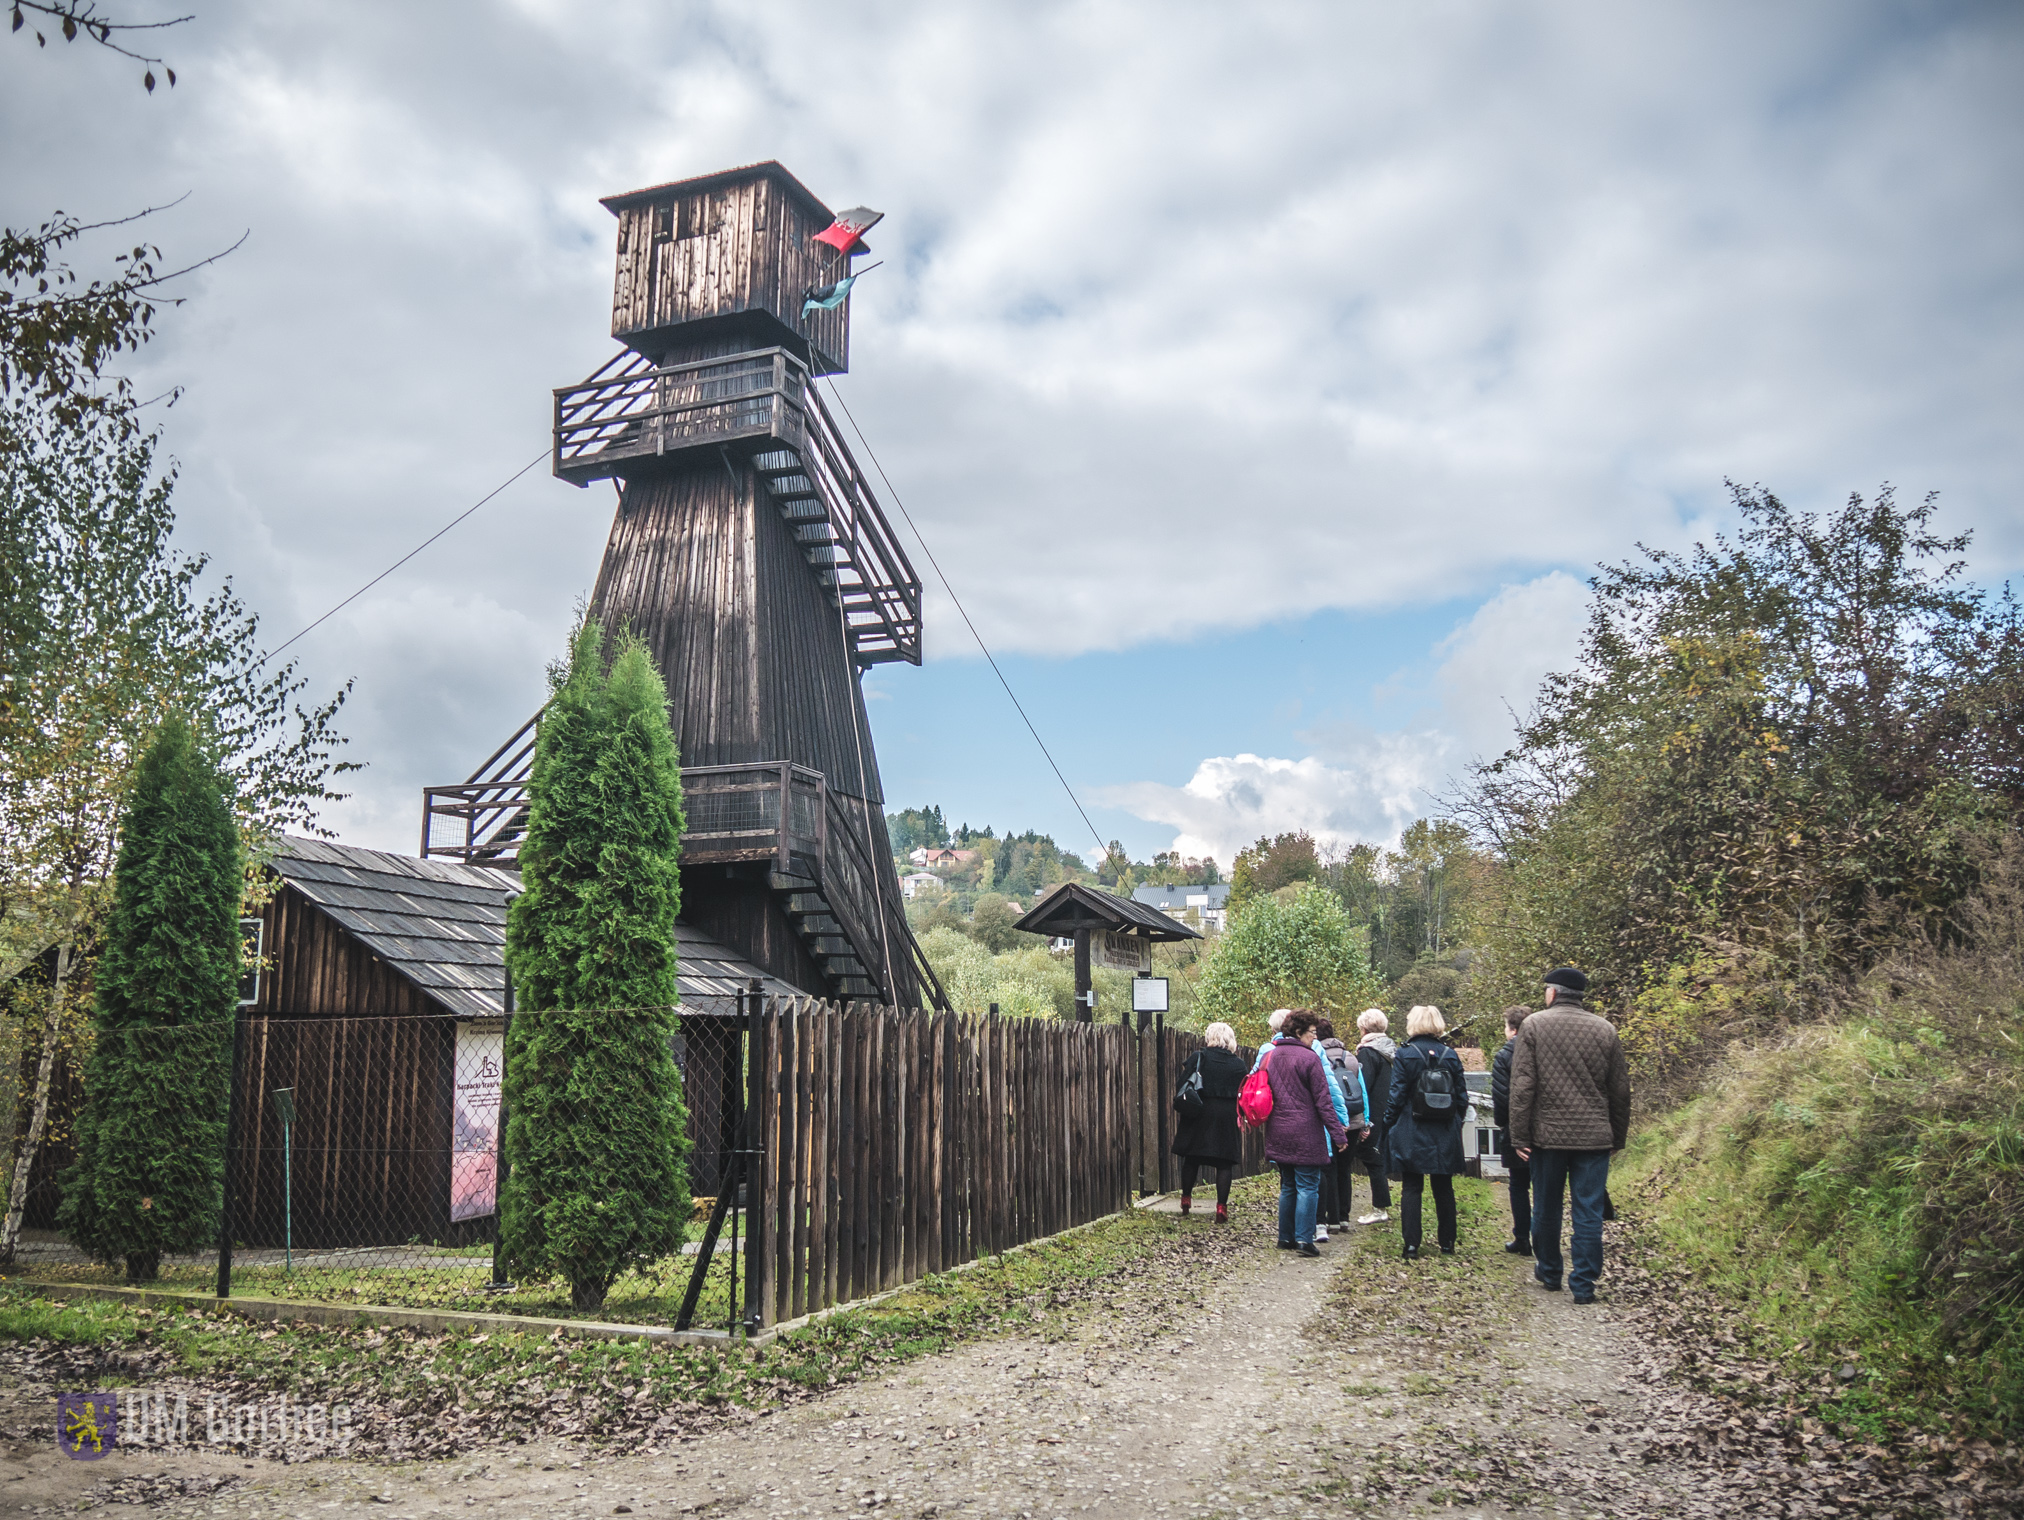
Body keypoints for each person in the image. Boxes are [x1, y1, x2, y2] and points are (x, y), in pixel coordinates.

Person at [1507, 966, 1631, 1305]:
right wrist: (1617, 1137)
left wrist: (1519, 1136)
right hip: (1593, 1139)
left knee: (1546, 1207)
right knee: (1588, 1212)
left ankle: (1549, 1271)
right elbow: (1620, 1091)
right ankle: (1584, 1283)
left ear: (1553, 993)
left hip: (1547, 1138)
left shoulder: (1533, 1026)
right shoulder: (1606, 1030)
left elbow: (1522, 1087)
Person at [1262, 1009, 1350, 1257]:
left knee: (1288, 1185)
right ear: (1299, 1032)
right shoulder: (1309, 1058)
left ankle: (1285, 1237)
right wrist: (1338, 1134)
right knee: (1308, 1185)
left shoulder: (1272, 1055)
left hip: (1278, 1130)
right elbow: (1324, 1102)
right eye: (1312, 1032)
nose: (1315, 1037)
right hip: (1305, 1132)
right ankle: (1304, 1240)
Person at [1382, 1005, 1468, 1260]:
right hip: (1444, 1128)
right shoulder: (1451, 1055)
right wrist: (1455, 1122)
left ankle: (1411, 1245)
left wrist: (1388, 1123)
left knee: (1411, 1186)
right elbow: (1462, 1097)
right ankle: (1447, 1243)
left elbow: (1396, 1096)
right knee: (1444, 1187)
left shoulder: (1405, 1055)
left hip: (1412, 1127)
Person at [1170, 1022, 1248, 1222]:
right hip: (1226, 1115)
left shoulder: (1199, 1058)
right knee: (1224, 1164)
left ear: (1210, 1037)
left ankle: (1186, 1198)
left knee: (1192, 1158)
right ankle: (1221, 1207)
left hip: (1199, 1112)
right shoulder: (1239, 1065)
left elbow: (1182, 1084)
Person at [1316, 1019, 1370, 1237]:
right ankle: (1345, 1216)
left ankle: (1332, 1219)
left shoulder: (1318, 1057)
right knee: (1344, 1169)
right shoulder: (1351, 1058)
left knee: (1328, 1168)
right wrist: (1366, 1121)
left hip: (1330, 1121)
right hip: (1354, 1120)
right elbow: (1363, 1091)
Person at [1489, 1005, 1533, 1257]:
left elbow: (1502, 1097)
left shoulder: (1504, 1056)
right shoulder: (1545, 1050)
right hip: (1544, 1129)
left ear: (1512, 1029)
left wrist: (1504, 1126)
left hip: (1516, 1128)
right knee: (1543, 1185)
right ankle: (1543, 1237)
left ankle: (1522, 1237)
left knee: (1518, 1185)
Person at [1352, 1009, 1396, 1224]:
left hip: (1373, 1114)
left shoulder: (1367, 1053)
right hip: (1388, 1111)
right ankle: (1380, 1207)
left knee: (1371, 1157)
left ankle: (1380, 1208)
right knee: (1376, 1158)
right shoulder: (1390, 1051)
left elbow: (1362, 1086)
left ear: (1364, 1028)